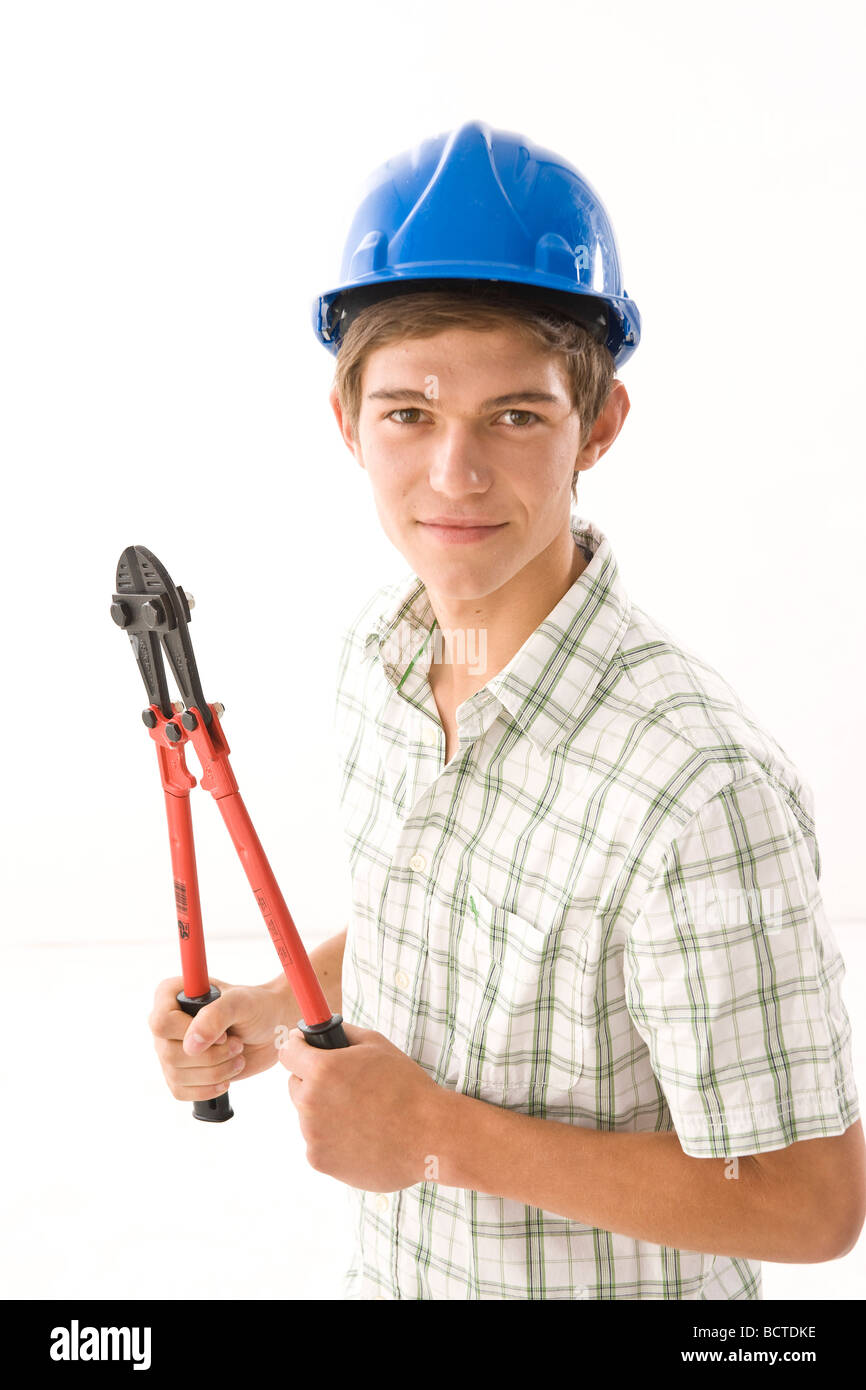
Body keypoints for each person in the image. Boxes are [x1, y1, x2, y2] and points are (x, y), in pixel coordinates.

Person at [148, 120, 865, 1300]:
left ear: (599, 424)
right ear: (347, 423)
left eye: (516, 416)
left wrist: (436, 1137)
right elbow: (438, 923)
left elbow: (809, 1198)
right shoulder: (378, 666)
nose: (454, 475)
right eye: (409, 415)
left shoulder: (695, 784)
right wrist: (269, 1007)